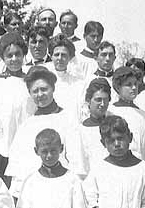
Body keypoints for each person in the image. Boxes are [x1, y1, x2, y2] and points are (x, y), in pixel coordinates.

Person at [6, 66, 88, 198]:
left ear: (53, 89)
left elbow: (77, 160)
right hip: (35, 194)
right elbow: (19, 166)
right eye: (35, 91)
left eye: (44, 89)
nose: (40, 95)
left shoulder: (68, 119)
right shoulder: (27, 125)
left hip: (61, 189)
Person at [0, 33, 35, 171]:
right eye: (9, 55)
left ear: (24, 55)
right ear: (3, 57)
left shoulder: (31, 81)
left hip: (27, 142)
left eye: (18, 54)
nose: (14, 59)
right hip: (2, 144)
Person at [109, 66, 145, 171]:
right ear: (118, 87)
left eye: (135, 84)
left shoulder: (144, 115)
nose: (134, 88)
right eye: (129, 85)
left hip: (143, 169)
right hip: (120, 168)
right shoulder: (111, 112)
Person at [46, 34, 86, 124]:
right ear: (51, 56)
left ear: (70, 57)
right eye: (56, 55)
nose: (60, 58)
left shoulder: (78, 83)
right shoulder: (44, 80)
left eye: (64, 55)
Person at [79, 78, 111, 169]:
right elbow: (80, 166)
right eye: (98, 100)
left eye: (105, 100)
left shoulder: (114, 124)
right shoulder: (81, 131)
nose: (102, 104)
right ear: (89, 100)